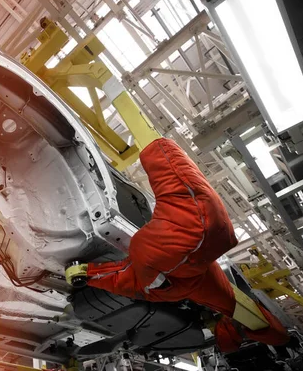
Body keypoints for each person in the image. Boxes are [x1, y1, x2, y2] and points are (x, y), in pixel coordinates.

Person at [72, 138, 289, 351]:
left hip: (200, 247)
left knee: (195, 224)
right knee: (183, 235)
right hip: (187, 254)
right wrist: (87, 273)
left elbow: (127, 278)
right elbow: (126, 279)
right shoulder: (187, 286)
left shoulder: (205, 284)